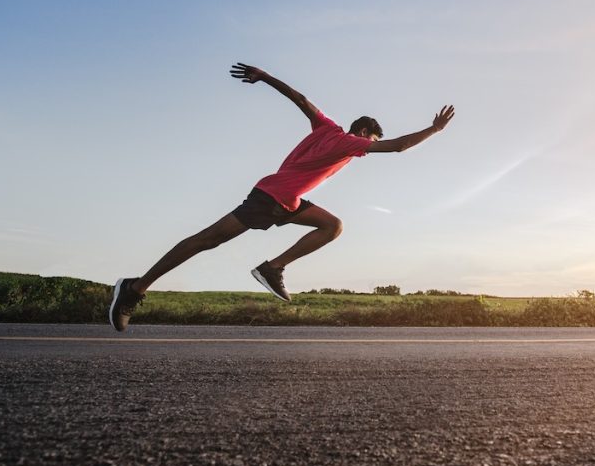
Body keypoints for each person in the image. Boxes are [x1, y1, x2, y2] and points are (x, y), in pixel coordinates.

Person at [109, 63, 455, 331]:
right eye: (372, 140)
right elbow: (397, 147)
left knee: (332, 226)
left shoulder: (325, 127)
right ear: (365, 133)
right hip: (271, 197)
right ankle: (135, 288)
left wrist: (265, 76)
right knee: (207, 240)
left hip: (286, 201)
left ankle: (272, 268)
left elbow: (301, 100)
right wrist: (434, 130)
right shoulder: (351, 142)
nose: (371, 147)